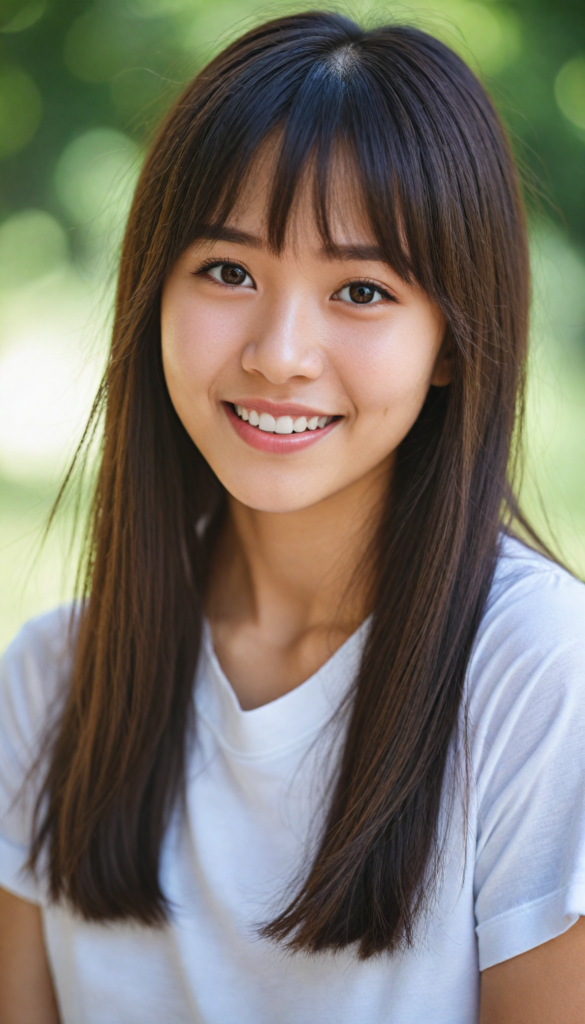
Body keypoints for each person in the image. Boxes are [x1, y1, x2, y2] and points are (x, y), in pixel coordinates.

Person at [1, 11, 585, 1023]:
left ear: (451, 343)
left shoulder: (536, 673)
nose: (279, 353)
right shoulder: (54, 680)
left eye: (360, 289)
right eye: (228, 272)